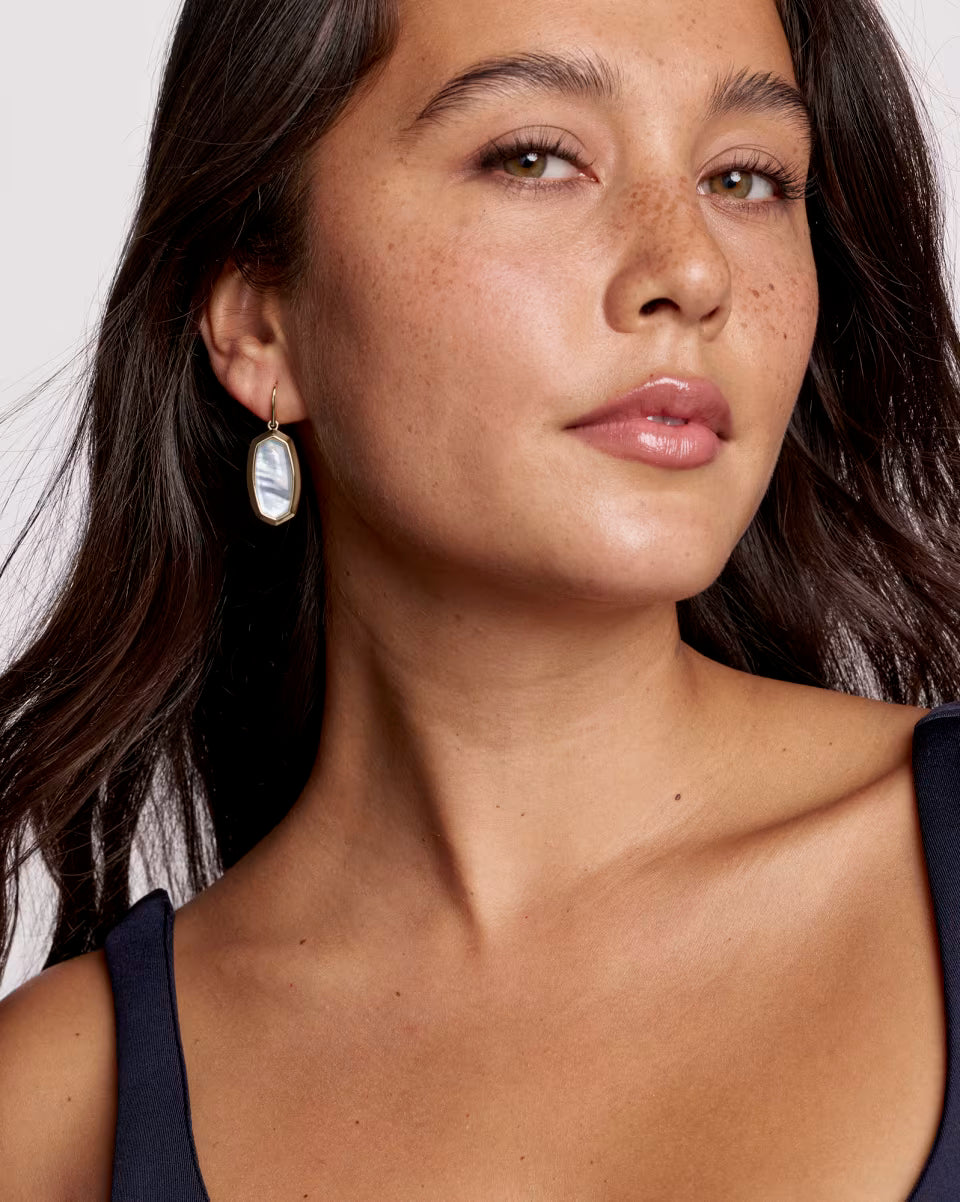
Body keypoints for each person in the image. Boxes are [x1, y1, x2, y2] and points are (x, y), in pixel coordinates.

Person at [1, 0, 960, 1196]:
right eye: (535, 158)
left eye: (746, 178)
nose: (692, 269)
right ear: (257, 319)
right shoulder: (55, 1116)